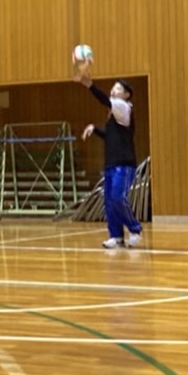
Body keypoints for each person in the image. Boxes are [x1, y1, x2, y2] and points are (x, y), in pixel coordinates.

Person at [76, 61, 144, 249]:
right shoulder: (114, 115)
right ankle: (116, 236)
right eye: (113, 87)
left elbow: (104, 100)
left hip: (124, 164)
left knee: (118, 197)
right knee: (109, 201)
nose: (114, 90)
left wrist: (90, 85)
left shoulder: (124, 106)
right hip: (111, 163)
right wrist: (95, 129)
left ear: (126, 94)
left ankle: (135, 229)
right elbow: (111, 136)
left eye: (118, 88)